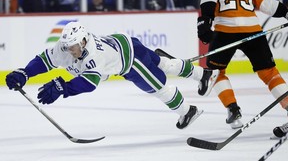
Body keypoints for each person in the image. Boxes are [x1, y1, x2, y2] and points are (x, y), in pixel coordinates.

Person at [5, 21, 219, 130]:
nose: (70, 51)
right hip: (122, 41)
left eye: (74, 47)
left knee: (157, 87)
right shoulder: (65, 46)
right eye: (68, 46)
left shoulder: (93, 55)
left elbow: (90, 83)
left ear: (83, 40)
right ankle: (203, 74)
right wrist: (25, 73)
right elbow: (43, 61)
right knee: (163, 64)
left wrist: (64, 88)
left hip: (130, 60)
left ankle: (187, 111)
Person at [197, 0, 288, 129]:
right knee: (269, 72)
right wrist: (286, 13)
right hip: (253, 30)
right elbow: (267, 5)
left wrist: (205, 24)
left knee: (216, 72)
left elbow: (208, 2)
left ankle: (233, 109)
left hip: (225, 32)